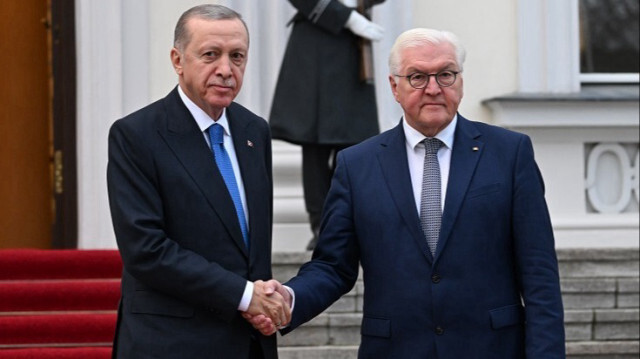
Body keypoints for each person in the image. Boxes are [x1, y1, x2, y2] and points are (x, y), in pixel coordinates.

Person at [248, 28, 566, 358]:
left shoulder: (509, 153)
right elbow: (333, 266)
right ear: (394, 86)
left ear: (460, 80)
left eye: (445, 74)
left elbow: (538, 272)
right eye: (417, 77)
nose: (433, 89)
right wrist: (288, 298)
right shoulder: (357, 165)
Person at [107, 5, 290, 359]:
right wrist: (245, 295)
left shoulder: (255, 132)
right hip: (170, 342)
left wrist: (261, 301)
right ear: (177, 60)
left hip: (248, 342)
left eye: (237, 56)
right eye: (210, 55)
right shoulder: (137, 135)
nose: (226, 69)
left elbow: (250, 247)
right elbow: (146, 250)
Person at [269, 0, 385, 250]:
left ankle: (346, 223)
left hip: (351, 47)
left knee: (355, 147)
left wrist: (356, 12)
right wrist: (344, 15)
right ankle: (323, 227)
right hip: (315, 44)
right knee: (315, 147)